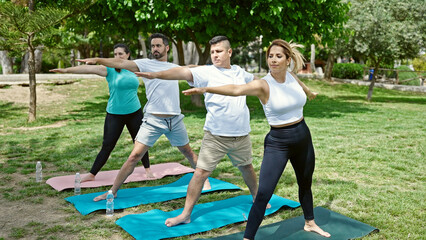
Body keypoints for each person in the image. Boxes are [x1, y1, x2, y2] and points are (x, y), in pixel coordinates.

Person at [182, 39, 330, 238]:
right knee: (263, 193)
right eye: (270, 56)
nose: (273, 60)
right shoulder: (262, 84)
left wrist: (309, 92)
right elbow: (235, 90)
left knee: (305, 183)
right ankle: (248, 237)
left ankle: (310, 222)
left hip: (303, 137)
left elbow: (298, 82)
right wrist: (206, 89)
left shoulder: (291, 76)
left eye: (279, 56)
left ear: (288, 60)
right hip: (278, 143)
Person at [77, 33, 204, 201]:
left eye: (158, 46)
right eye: (152, 46)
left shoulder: (175, 67)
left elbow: (193, 69)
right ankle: (112, 192)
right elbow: (120, 62)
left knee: (188, 151)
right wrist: (99, 60)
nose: (155, 49)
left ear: (166, 48)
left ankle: (205, 179)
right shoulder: (144, 64)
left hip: (175, 120)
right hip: (153, 120)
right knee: (134, 157)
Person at [50, 43, 151, 182]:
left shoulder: (134, 69)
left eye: (120, 54)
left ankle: (148, 169)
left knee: (140, 142)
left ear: (128, 55)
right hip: (115, 114)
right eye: (115, 54)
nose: (117, 57)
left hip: (134, 112)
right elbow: (87, 69)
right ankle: (92, 174)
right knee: (108, 145)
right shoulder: (109, 70)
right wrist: (66, 70)